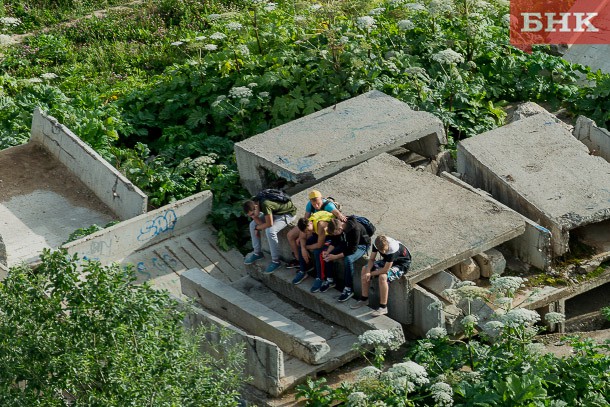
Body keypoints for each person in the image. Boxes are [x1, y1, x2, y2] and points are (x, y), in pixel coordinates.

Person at [351, 235, 412, 316]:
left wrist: (371, 274)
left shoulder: (393, 249)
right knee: (364, 269)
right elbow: (372, 259)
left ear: (387, 245)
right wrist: (368, 271)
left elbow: (385, 270)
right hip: (388, 261)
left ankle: (383, 307)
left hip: (401, 264)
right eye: (381, 250)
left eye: (385, 250)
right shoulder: (376, 244)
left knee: (383, 277)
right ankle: (364, 299)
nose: (383, 252)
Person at [285, 190, 346, 269]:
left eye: (318, 203)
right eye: (314, 204)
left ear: (321, 199)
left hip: (321, 227)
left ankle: (305, 262)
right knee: (290, 235)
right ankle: (298, 260)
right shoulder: (309, 205)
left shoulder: (328, 205)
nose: (316, 206)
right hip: (312, 223)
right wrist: (301, 237)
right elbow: (305, 221)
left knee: (303, 242)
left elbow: (339, 215)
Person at [243, 195, 297, 273]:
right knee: (252, 225)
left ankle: (276, 261)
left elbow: (269, 224)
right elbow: (260, 223)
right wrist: (255, 219)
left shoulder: (265, 204)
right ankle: (257, 253)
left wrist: (257, 228)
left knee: (270, 231)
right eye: (250, 215)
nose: (252, 216)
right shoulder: (254, 202)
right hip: (274, 213)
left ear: (255, 206)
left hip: (287, 214)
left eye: (252, 214)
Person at [323, 217, 371, 302]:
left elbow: (352, 250)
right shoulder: (338, 227)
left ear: (340, 228)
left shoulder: (354, 229)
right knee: (328, 255)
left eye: (335, 233)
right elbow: (335, 241)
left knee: (348, 259)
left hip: (361, 245)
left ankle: (349, 289)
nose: (335, 235)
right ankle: (330, 280)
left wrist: (336, 256)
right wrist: (328, 252)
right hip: (347, 243)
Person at [292, 210, 334, 292]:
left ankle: (320, 277)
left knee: (317, 252)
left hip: (331, 236)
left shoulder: (320, 225)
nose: (307, 233)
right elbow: (303, 237)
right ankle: (303, 270)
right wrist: (303, 248)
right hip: (317, 234)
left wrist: (306, 247)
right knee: (301, 244)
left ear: (310, 223)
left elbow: (319, 245)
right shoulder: (305, 223)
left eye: (308, 230)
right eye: (305, 231)